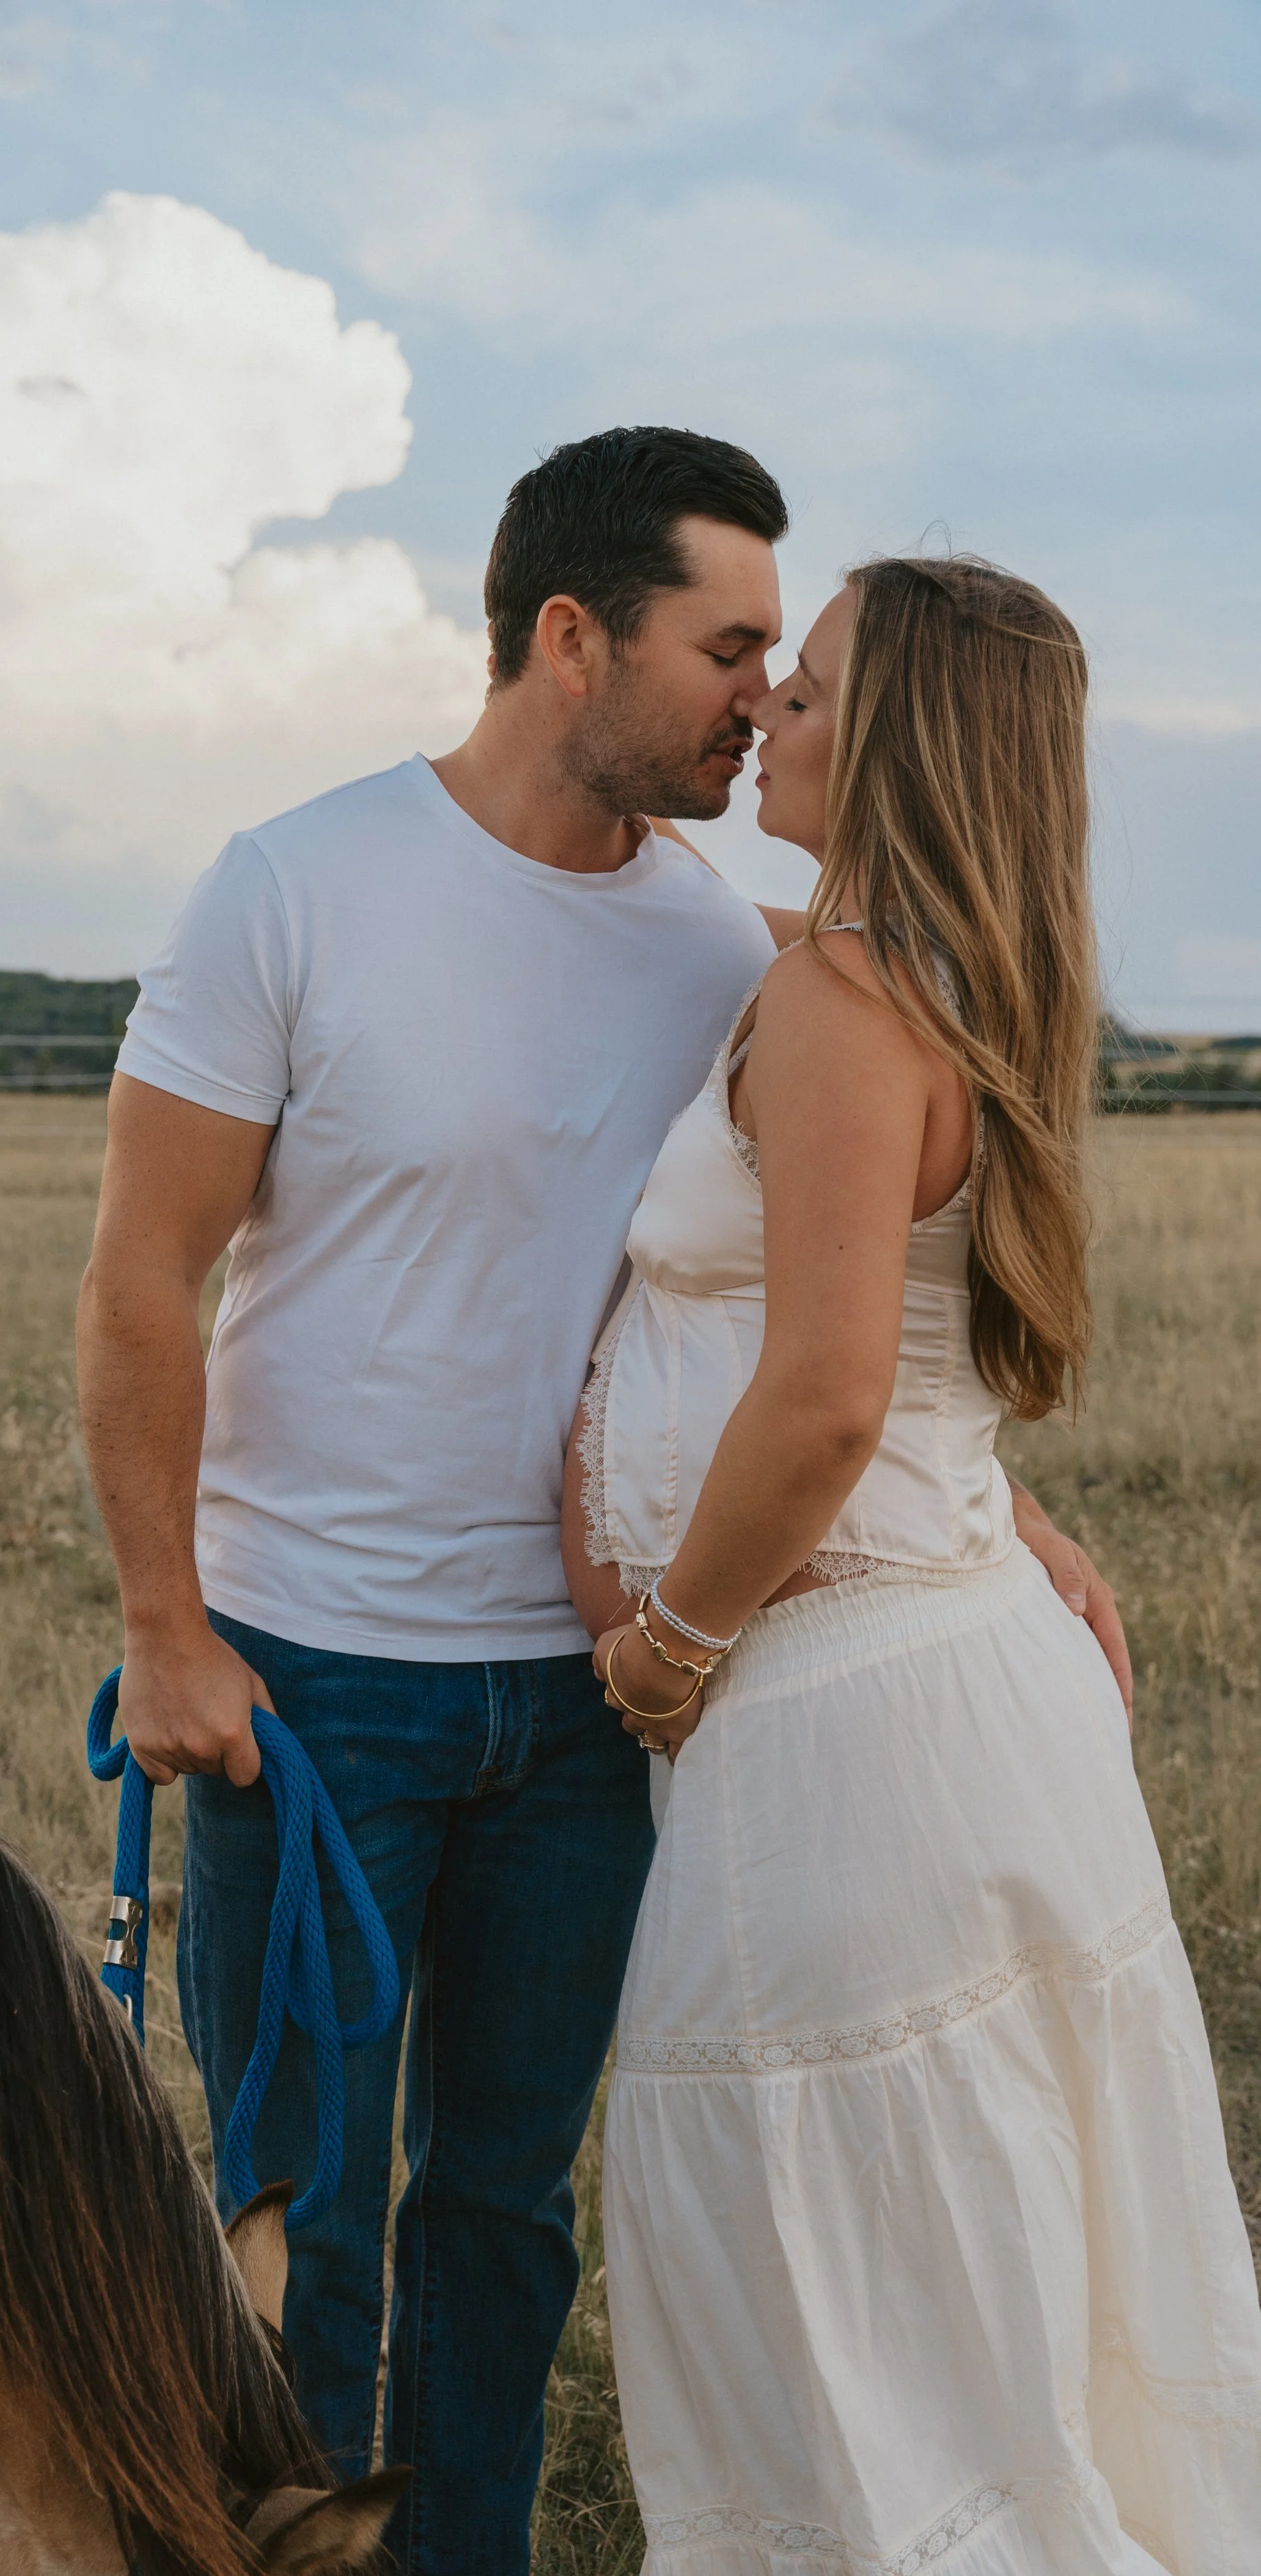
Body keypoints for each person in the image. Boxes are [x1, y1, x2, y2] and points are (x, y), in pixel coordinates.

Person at [76, 431, 1128, 2576]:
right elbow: (134, 1281)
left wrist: (986, 1508)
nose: (762, 694)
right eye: (728, 645)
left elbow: (836, 1275)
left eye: (781, 658)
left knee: (502, 2211)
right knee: (296, 2215)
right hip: (310, 1682)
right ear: (571, 639)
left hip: (591, 1709)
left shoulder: (723, 945)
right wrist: (165, 1623)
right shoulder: (291, 885)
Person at [571, 556, 1261, 2571]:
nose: (769, 700)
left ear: (901, 734)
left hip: (839, 1725)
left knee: (866, 2293)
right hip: (942, 1680)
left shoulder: (839, 1001)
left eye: (811, 677)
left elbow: (823, 1396)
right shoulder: (915, 974)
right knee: (989, 2280)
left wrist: (669, 1646)